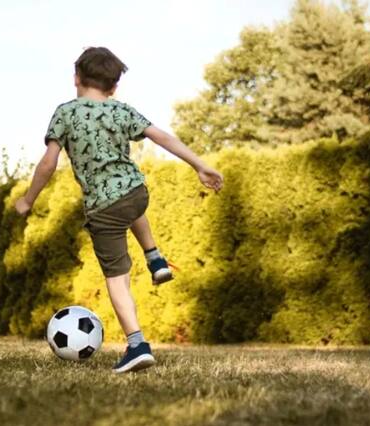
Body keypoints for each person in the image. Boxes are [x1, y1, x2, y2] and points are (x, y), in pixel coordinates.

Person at [15, 47, 223, 373]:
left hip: (103, 209)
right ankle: (155, 257)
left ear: (76, 78)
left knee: (117, 280)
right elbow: (162, 137)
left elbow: (48, 163)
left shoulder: (66, 113)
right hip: (136, 192)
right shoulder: (121, 111)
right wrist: (200, 165)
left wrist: (28, 199)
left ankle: (137, 344)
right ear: (114, 87)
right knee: (129, 203)